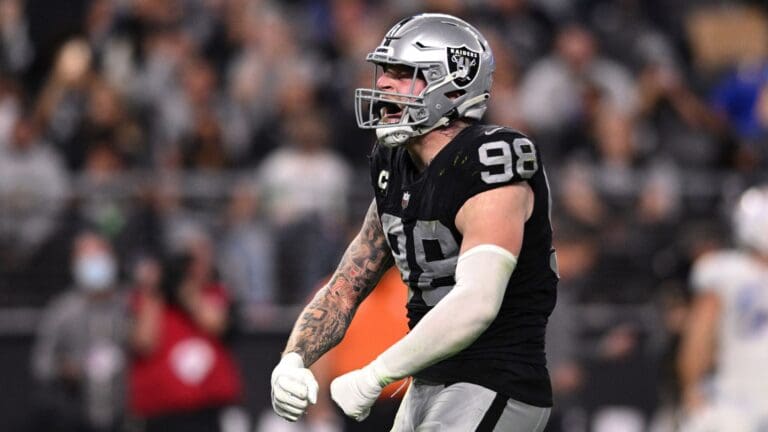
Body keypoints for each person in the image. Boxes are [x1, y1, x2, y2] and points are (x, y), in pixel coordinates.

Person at [270, 13, 558, 431]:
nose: (383, 83)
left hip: (497, 378)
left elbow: (477, 304)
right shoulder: (394, 165)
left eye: (403, 72)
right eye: (385, 71)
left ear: (454, 83)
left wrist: (376, 373)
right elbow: (347, 284)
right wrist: (293, 359)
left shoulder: (493, 160)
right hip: (428, 380)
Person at [677, 185, 768, 432]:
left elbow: (698, 336)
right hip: (738, 400)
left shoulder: (724, 271)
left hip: (738, 402)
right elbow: (700, 336)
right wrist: (692, 387)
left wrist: (691, 387)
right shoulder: (726, 271)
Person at [30, 230, 129, 432]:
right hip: (78, 414)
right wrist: (63, 368)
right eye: (87, 258)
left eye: (99, 257)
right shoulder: (62, 310)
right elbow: (41, 363)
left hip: (126, 413)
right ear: (75, 264)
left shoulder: (128, 304)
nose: (94, 264)